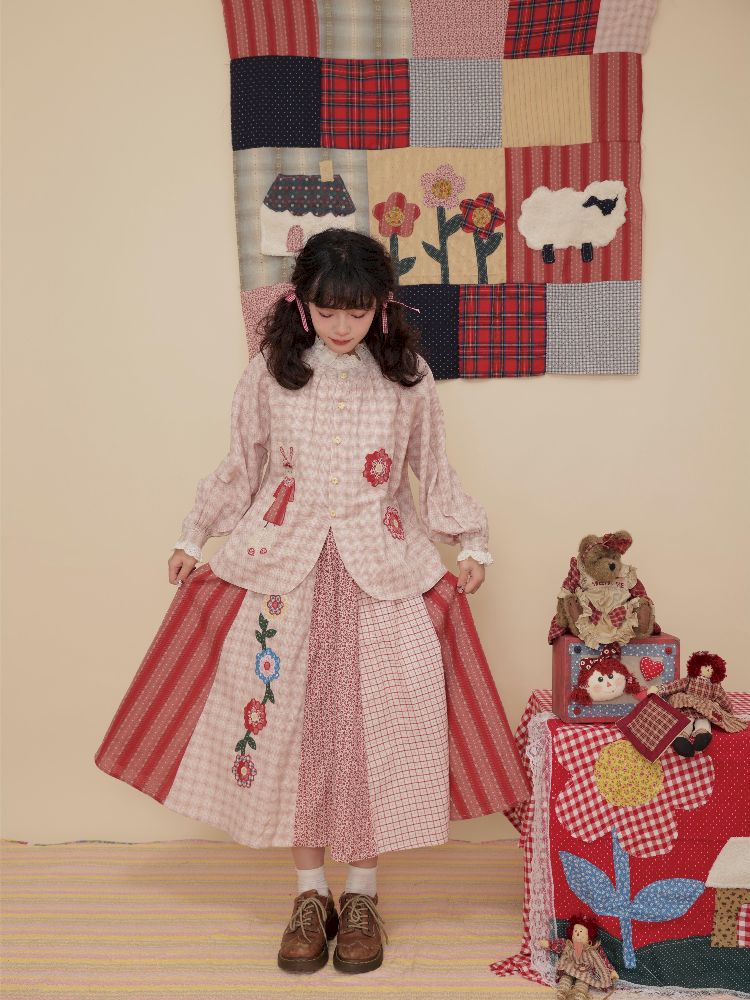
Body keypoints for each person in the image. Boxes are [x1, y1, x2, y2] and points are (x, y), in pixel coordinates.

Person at [94, 228, 529, 975]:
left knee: (371, 731)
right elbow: (241, 466)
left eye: (357, 311)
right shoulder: (270, 373)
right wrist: (195, 535)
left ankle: (361, 895)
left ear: (381, 305)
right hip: (281, 567)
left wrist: (470, 540)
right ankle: (308, 895)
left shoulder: (409, 377)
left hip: (380, 569)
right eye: (328, 311)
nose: (341, 326)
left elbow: (432, 470)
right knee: (290, 729)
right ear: (301, 303)